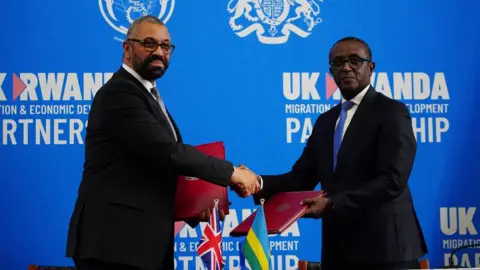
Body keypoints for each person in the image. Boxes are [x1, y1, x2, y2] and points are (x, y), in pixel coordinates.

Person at [65, 15, 258, 270]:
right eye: (149, 43)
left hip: (145, 245)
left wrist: (199, 204)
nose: (159, 52)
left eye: (165, 46)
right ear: (126, 49)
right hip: (114, 246)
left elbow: (156, 167)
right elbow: (167, 152)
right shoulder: (119, 94)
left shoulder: (147, 94)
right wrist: (231, 173)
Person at [237, 37, 428, 270]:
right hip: (338, 249)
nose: (346, 67)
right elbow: (301, 178)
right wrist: (258, 182)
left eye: (355, 61)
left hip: (386, 248)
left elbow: (392, 180)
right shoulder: (326, 121)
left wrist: (332, 204)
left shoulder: (391, 112)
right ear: (331, 72)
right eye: (338, 63)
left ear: (371, 67)